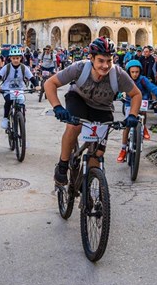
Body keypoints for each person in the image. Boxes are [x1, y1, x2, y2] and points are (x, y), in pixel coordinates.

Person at [44, 37, 142, 185]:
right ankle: (63, 165)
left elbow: (136, 94)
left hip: (102, 107)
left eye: (109, 60)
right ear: (91, 58)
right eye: (101, 61)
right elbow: (50, 83)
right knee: (74, 126)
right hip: (78, 99)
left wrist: (133, 115)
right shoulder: (79, 68)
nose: (105, 65)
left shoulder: (118, 74)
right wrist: (57, 107)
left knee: (97, 155)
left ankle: (88, 188)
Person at [117, 60, 157, 162]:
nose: (135, 74)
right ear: (129, 72)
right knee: (127, 125)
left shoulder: (143, 80)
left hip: (143, 102)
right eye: (132, 72)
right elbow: (119, 89)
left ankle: (144, 127)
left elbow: (153, 88)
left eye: (137, 72)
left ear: (140, 71)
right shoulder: (126, 79)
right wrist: (120, 94)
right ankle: (123, 149)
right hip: (129, 103)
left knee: (143, 112)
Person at [0, 47, 40, 129]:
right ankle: (5, 118)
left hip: (20, 89)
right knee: (9, 101)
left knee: (21, 102)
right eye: (13, 58)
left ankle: (21, 116)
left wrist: (37, 85)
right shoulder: (6, 67)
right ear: (10, 58)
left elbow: (32, 78)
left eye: (17, 58)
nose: (15, 60)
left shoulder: (24, 68)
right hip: (7, 89)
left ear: (20, 58)